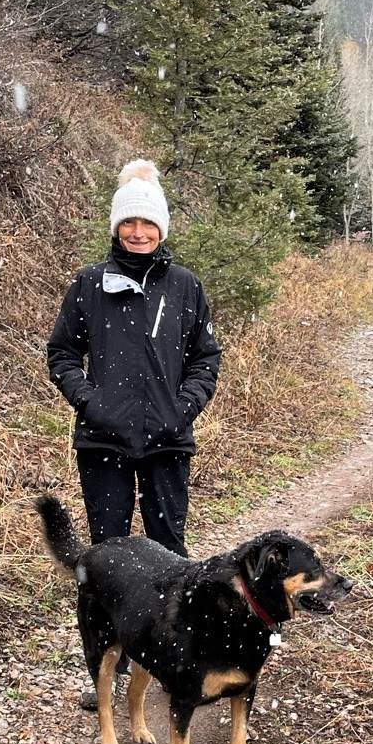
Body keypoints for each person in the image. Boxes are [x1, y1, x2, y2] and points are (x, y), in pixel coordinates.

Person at [47, 159, 222, 707]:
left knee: (168, 549)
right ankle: (105, 667)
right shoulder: (89, 285)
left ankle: (172, 657)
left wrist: (183, 409)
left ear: (162, 228)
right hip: (103, 442)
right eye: (129, 223)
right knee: (107, 556)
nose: (139, 233)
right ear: (117, 227)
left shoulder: (186, 287)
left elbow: (206, 358)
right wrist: (92, 404)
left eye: (148, 224)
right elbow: (61, 354)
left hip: (168, 443)